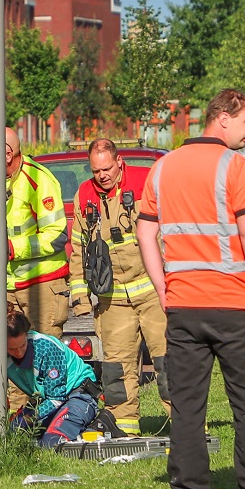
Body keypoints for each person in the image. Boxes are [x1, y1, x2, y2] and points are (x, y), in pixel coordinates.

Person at [135, 89, 245, 489]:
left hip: (183, 306)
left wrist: (162, 286)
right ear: (223, 118)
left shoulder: (161, 169)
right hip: (234, 304)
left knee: (187, 407)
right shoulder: (236, 167)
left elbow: (146, 234)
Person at [67, 138, 170, 431]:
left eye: (107, 168)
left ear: (119, 161)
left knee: (169, 360)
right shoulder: (84, 194)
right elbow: (79, 248)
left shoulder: (144, 181)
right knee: (116, 367)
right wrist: (81, 297)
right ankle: (124, 426)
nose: (102, 175)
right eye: (96, 169)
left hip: (151, 290)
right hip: (112, 298)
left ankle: (186, 422)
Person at [3, 128, 71, 336]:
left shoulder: (37, 180)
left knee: (44, 354)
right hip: (9, 285)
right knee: (10, 360)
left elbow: (57, 236)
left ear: (8, 155)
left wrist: (13, 248)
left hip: (42, 285)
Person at [3, 307, 100, 447]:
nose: (18, 352)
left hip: (77, 394)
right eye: (11, 348)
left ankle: (95, 425)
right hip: (48, 400)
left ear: (27, 334)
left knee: (52, 443)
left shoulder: (46, 348)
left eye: (22, 345)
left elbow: (56, 398)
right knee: (12, 437)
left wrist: (29, 418)